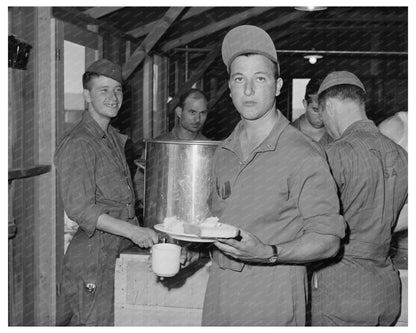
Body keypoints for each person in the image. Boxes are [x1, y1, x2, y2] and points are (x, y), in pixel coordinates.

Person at [199, 25, 345, 326]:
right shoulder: (223, 152)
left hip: (273, 301)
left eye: (260, 79)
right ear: (229, 87)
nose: (248, 90)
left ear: (278, 85)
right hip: (220, 298)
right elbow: (217, 221)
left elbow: (328, 240)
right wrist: (190, 246)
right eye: (239, 79)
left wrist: (269, 252)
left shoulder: (303, 155)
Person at [54, 58, 159, 326]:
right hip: (94, 256)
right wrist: (135, 232)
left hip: (117, 249)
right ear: (87, 95)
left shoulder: (113, 138)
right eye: (103, 90)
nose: (113, 97)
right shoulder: (79, 142)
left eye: (118, 90)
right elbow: (79, 208)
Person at [311, 71, 408, 326]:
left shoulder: (334, 155)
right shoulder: (401, 154)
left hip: (341, 291)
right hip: (385, 289)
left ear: (329, 106)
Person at [292, 77, 332, 145]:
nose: (321, 116)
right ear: (305, 104)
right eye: (316, 110)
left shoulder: (337, 136)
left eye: (325, 109)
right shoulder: (286, 133)